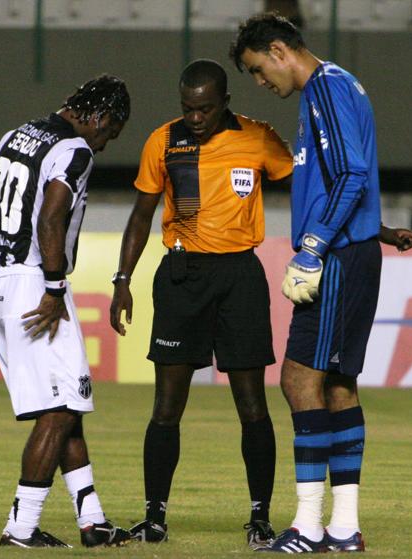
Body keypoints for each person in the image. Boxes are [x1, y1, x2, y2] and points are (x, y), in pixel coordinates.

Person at [230, 13, 412, 553]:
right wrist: (376, 231)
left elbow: (351, 174)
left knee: (298, 378)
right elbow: (352, 175)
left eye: (257, 70)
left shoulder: (323, 89)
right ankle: (342, 527)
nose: (260, 83)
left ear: (278, 50)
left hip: (337, 255)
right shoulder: (340, 84)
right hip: (354, 249)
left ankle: (307, 524)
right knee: (338, 384)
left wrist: (314, 246)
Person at [109, 58, 293, 550]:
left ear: (225, 102)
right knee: (167, 407)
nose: (194, 117)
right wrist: (122, 279)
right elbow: (141, 214)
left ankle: (260, 517)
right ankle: (154, 517)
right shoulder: (163, 141)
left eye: (205, 109)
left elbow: (303, 187)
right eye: (187, 108)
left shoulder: (258, 138)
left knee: (253, 405)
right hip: (182, 276)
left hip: (240, 276)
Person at [0, 75, 132, 549]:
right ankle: (21, 527)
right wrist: (52, 288)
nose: (105, 142)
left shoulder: (16, 135)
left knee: (67, 406)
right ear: (98, 117)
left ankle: (92, 521)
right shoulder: (74, 150)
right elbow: (51, 217)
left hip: (3, 283)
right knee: (56, 413)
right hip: (38, 288)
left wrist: (4, 252)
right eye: (109, 132)